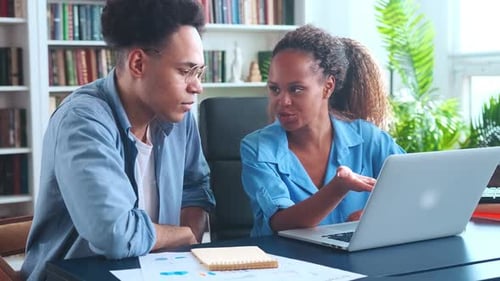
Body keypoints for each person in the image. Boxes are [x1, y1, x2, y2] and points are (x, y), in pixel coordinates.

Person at [21, 0, 215, 280]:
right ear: (138, 63)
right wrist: (180, 234)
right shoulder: (83, 120)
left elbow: (195, 186)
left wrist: (186, 238)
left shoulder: (179, 117)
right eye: (185, 71)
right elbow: (113, 232)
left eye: (199, 72)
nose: (197, 86)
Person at [240, 24, 405, 237]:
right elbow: (281, 222)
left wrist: (377, 217)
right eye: (275, 89)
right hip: (286, 264)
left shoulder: (368, 138)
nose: (283, 101)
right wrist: (338, 187)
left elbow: (413, 189)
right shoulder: (258, 148)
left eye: (296, 89)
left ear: (327, 87)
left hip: (358, 261)